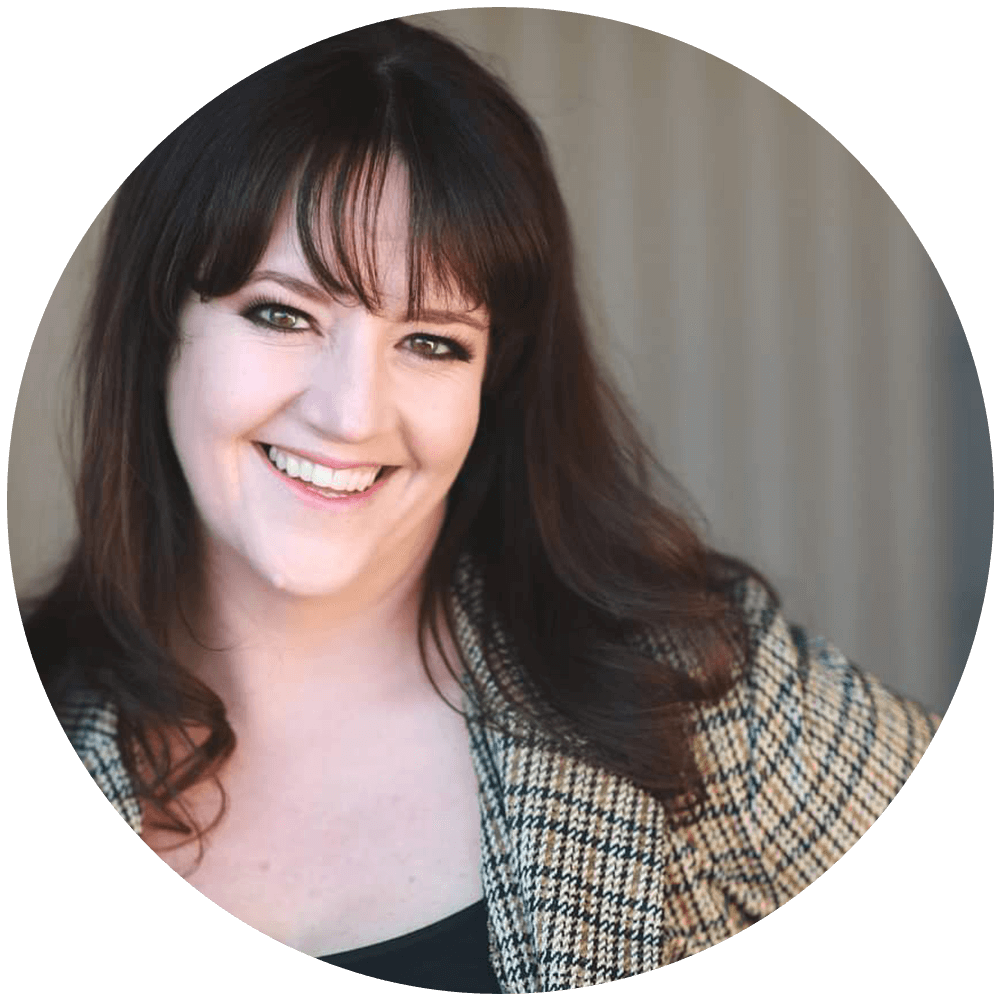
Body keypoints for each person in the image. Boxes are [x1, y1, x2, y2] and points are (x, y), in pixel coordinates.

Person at [22, 19, 942, 992]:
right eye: (282, 313)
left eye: (431, 341)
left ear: (491, 384)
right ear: (158, 330)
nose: (350, 414)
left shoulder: (696, 698)